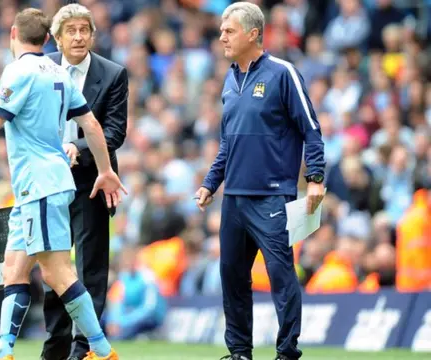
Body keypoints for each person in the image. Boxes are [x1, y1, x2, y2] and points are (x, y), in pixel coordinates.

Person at [0, 8, 126, 360]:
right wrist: (104, 169)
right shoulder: (58, 72)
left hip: (41, 186)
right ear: (49, 39)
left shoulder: (18, 71)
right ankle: (4, 348)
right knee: (14, 268)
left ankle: (101, 349)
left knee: (57, 273)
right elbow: (93, 126)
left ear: (12, 34)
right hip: (39, 187)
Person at [194, 3, 325, 360]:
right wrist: (210, 183)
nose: (221, 35)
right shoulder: (229, 79)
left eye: (229, 30)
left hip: (272, 198)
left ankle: (287, 353)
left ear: (253, 34)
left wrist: (314, 178)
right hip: (233, 199)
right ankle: (239, 353)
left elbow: (311, 129)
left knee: (282, 279)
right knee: (232, 279)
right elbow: (228, 142)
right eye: (221, 29)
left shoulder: (283, 73)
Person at [42, 4, 128, 360]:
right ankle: (56, 344)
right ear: (57, 38)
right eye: (71, 31)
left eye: (84, 30)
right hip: (48, 179)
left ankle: (85, 346)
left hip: (92, 179)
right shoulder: (40, 70)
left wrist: (77, 147)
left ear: (93, 35)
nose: (78, 37)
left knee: (90, 266)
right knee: (52, 264)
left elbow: (114, 132)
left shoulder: (112, 74)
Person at [104, 246, 167, 341]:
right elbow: (117, 302)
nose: (127, 262)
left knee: (120, 335)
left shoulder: (148, 277)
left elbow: (149, 308)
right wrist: (114, 321)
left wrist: (124, 322)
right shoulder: (123, 277)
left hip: (149, 318)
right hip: (128, 316)